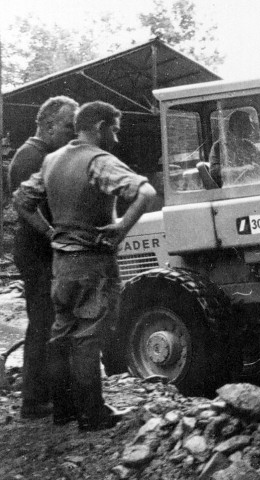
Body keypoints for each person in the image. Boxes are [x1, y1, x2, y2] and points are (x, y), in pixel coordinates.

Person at [13, 101, 156, 431]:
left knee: (61, 334)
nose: (116, 140)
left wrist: (50, 233)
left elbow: (22, 200)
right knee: (89, 337)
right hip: (93, 263)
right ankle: (92, 413)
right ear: (100, 127)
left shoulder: (51, 160)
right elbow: (145, 192)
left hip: (61, 265)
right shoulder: (99, 160)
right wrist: (121, 228)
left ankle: (64, 410)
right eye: (115, 131)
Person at [8, 96, 78, 419]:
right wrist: (54, 234)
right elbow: (27, 206)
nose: (72, 133)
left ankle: (45, 393)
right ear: (48, 125)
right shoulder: (30, 157)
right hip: (36, 250)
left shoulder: (43, 154)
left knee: (48, 320)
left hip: (42, 248)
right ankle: (33, 401)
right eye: (68, 126)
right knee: (42, 322)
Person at [208, 109, 260, 186]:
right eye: (249, 124)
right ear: (238, 125)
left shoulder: (248, 144)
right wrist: (241, 170)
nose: (252, 128)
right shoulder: (218, 146)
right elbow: (214, 172)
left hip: (251, 184)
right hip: (231, 188)